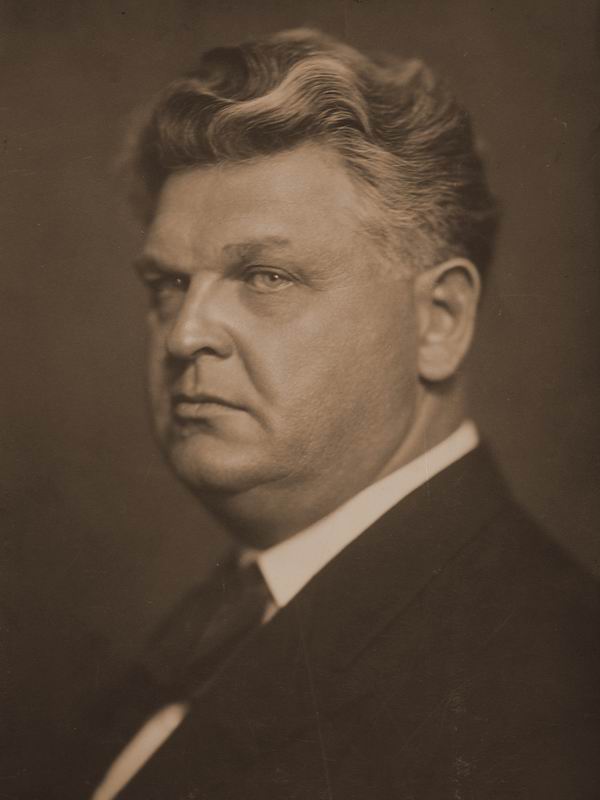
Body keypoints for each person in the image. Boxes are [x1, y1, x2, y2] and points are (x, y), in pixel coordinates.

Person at [55, 28, 599, 799]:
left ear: (439, 321)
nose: (185, 334)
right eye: (168, 286)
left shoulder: (550, 692)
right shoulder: (225, 620)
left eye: (266, 276)